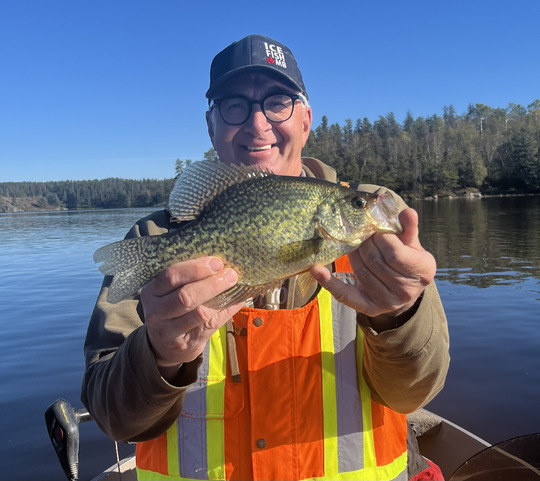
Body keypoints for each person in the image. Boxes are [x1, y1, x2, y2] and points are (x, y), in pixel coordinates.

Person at [82, 34, 449, 481]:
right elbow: (113, 418)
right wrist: (158, 355)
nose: (258, 125)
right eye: (235, 105)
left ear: (307, 118)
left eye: (278, 102)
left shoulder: (379, 228)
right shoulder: (154, 238)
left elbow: (414, 394)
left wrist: (400, 316)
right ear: (210, 125)